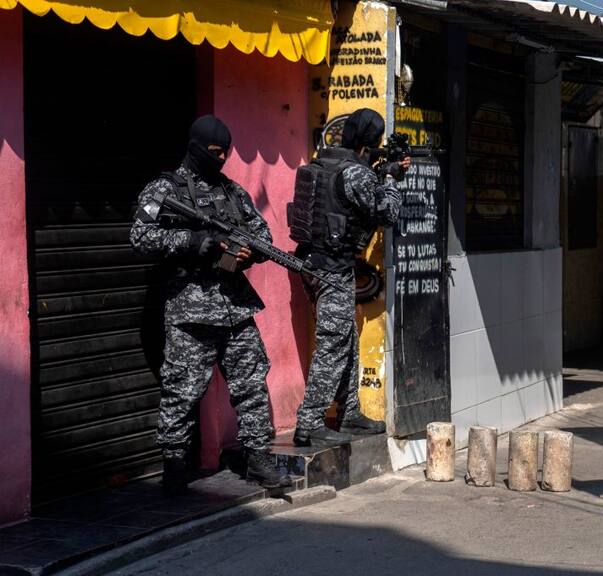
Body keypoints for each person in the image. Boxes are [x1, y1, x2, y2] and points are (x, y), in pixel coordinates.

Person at [130, 115, 291, 494]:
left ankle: (259, 460)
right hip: (191, 310)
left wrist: (247, 253)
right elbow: (140, 235)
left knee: (251, 386)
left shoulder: (232, 192)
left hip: (235, 306)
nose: (220, 159)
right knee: (182, 390)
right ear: (198, 148)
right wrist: (192, 241)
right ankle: (174, 464)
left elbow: (262, 233)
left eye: (226, 154)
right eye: (215, 153)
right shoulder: (165, 189)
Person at [292, 108, 410, 447]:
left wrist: (380, 172)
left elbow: (348, 199)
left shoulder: (323, 163)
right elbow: (387, 212)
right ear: (368, 143)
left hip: (314, 265)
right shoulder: (357, 175)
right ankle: (310, 421)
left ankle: (350, 412)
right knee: (333, 342)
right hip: (332, 268)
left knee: (346, 338)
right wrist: (389, 179)